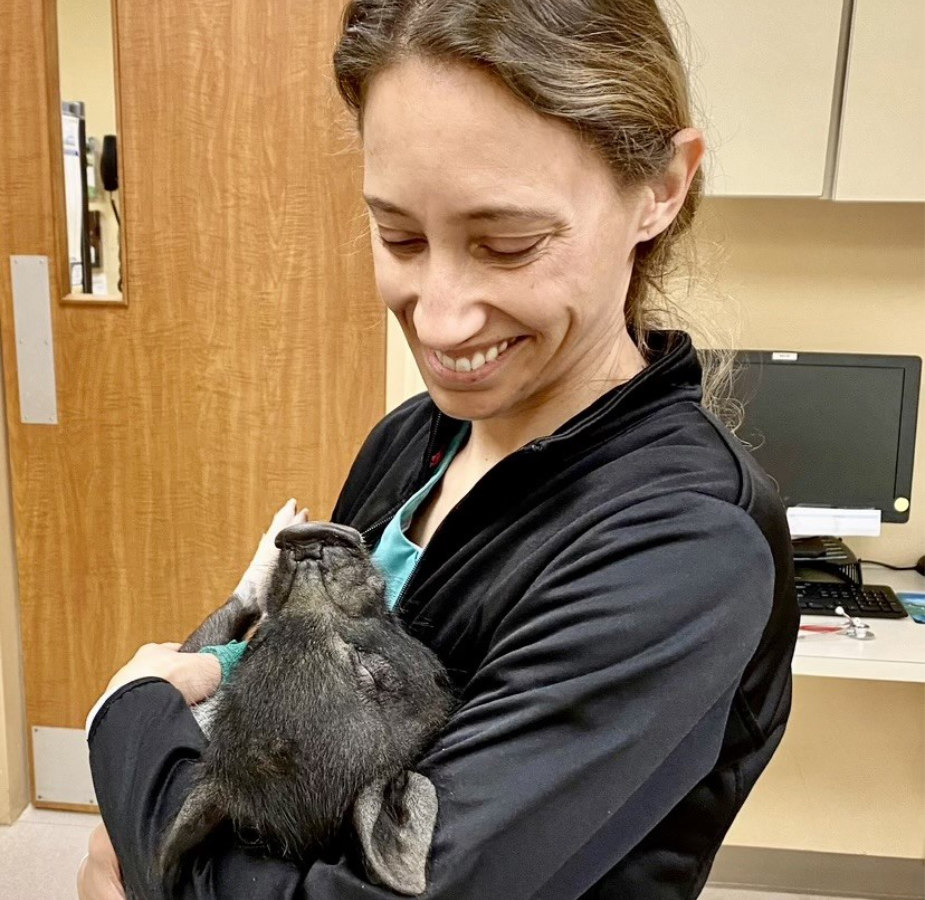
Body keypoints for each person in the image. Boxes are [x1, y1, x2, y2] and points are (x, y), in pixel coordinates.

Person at [78, 1, 799, 897]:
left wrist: (128, 726)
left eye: (507, 244)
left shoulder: (683, 548)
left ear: (660, 186)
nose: (441, 318)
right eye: (400, 237)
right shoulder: (412, 440)